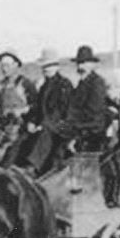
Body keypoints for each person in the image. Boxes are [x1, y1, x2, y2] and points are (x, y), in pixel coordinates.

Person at [18, 47, 74, 175]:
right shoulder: (44, 87)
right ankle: (17, 165)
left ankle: (33, 166)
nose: (46, 69)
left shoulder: (64, 85)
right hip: (48, 123)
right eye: (44, 66)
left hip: (64, 124)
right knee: (25, 132)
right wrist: (33, 122)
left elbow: (61, 110)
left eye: (49, 66)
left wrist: (43, 123)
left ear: (56, 67)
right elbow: (38, 109)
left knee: (47, 130)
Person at [0, 48, 39, 168]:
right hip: (5, 131)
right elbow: (0, 109)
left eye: (7, 65)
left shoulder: (25, 84)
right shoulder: (0, 86)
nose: (4, 69)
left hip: (22, 130)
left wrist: (22, 111)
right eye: (2, 66)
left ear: (16, 65)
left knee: (8, 161)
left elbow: (37, 107)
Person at [63, 45, 110, 153]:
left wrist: (73, 121)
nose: (80, 66)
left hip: (91, 125)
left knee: (61, 130)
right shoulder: (81, 83)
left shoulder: (97, 83)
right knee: (57, 126)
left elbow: (93, 111)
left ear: (92, 64)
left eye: (84, 63)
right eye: (79, 63)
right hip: (78, 122)